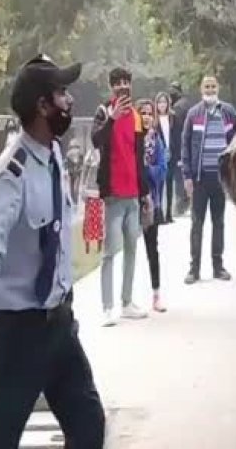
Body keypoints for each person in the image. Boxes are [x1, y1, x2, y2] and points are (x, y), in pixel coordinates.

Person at [0, 54, 105, 448]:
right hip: (17, 334)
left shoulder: (54, 155)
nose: (68, 101)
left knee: (89, 426)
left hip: (58, 326)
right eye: (61, 93)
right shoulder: (11, 173)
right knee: (0, 440)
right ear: (42, 106)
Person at [90, 66, 150, 326]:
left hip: (133, 193)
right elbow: (95, 140)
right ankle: (107, 307)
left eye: (126, 82)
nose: (123, 87)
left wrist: (144, 191)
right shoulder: (104, 112)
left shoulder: (137, 116)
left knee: (132, 249)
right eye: (118, 83)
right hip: (113, 193)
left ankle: (126, 302)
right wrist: (112, 118)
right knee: (109, 252)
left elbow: (138, 157)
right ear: (111, 86)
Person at [181, 74, 236, 284]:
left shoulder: (228, 112)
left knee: (219, 223)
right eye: (206, 86)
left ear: (218, 88)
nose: (210, 89)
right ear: (200, 89)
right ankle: (194, 270)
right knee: (196, 224)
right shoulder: (193, 114)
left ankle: (218, 267)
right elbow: (185, 146)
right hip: (199, 179)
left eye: (213, 86)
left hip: (220, 179)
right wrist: (187, 176)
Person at [138, 99, 168, 313]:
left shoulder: (157, 140)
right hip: (131, 199)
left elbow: (162, 168)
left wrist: (147, 170)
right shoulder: (131, 138)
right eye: (143, 112)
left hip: (151, 200)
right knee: (128, 249)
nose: (147, 116)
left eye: (150, 113)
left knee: (152, 249)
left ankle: (156, 294)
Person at [157, 86, 190, 222]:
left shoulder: (176, 111)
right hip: (172, 150)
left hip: (173, 150)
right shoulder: (185, 104)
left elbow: (177, 133)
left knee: (171, 180)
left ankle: (172, 208)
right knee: (173, 180)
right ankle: (172, 209)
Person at [78, 147, 104, 254]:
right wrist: (82, 188)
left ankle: (99, 248)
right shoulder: (90, 154)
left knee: (100, 221)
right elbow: (84, 172)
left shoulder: (105, 151)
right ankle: (87, 248)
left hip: (100, 192)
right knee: (89, 222)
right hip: (90, 192)